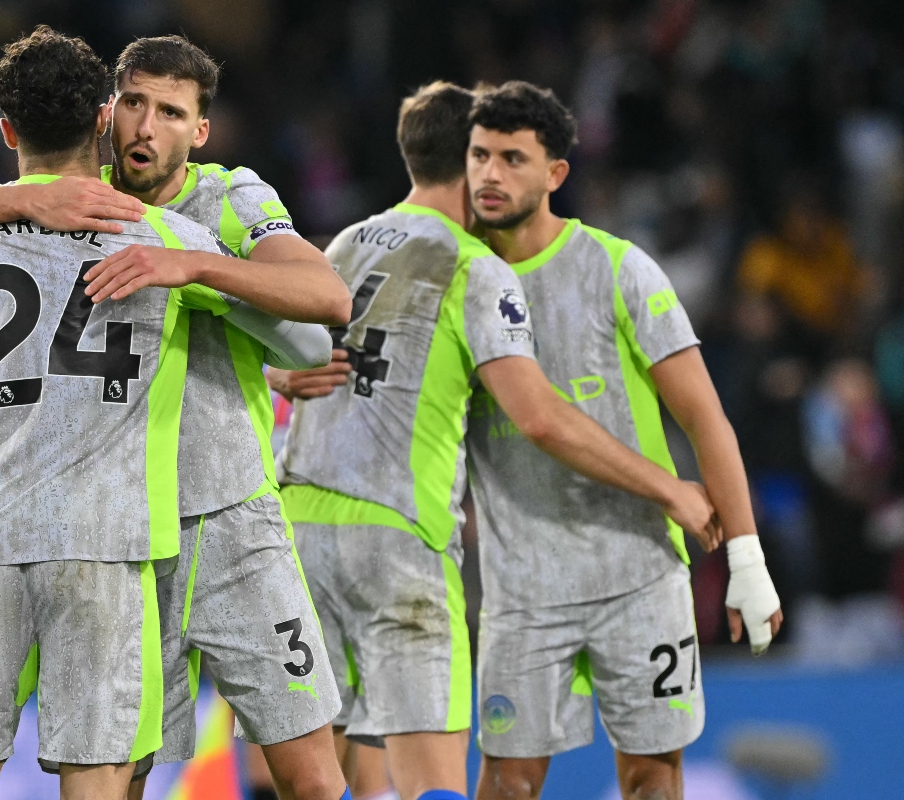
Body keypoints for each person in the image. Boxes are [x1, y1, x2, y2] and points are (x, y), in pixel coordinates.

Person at [0, 27, 331, 800]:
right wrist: (215, 286)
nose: (146, 125)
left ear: (6, 131)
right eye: (133, 105)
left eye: (169, 111)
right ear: (103, 117)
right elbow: (309, 340)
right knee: (100, 779)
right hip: (107, 545)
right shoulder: (160, 240)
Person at [268, 82, 720, 800]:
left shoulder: (348, 242)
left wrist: (278, 374)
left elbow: (282, 347)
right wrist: (671, 489)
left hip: (297, 531)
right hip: (398, 541)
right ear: (468, 160)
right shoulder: (477, 268)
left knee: (316, 782)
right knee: (433, 786)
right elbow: (537, 416)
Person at [463, 81, 783, 800]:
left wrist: (747, 558)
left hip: (637, 577)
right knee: (508, 782)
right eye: (479, 156)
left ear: (556, 174)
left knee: (651, 778)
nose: (489, 174)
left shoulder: (617, 269)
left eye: (512, 159)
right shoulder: (456, 281)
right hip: (522, 589)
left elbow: (704, 417)